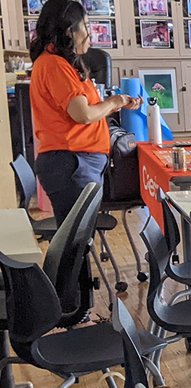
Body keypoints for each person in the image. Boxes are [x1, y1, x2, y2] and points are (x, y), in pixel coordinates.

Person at [29, 0, 142, 225]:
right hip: (72, 164)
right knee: (75, 246)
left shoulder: (63, 64)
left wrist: (114, 104)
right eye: (86, 26)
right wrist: (114, 102)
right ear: (69, 30)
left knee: (79, 242)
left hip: (78, 163)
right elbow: (83, 114)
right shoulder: (54, 65)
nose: (89, 34)